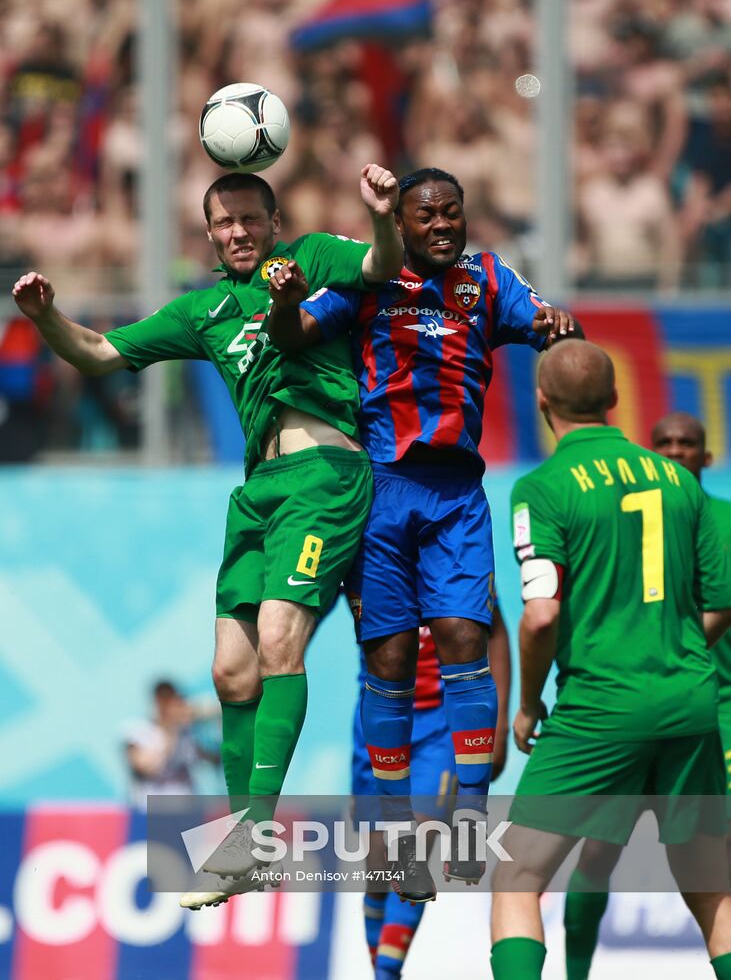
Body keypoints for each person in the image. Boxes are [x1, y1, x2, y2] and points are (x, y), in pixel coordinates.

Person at [12, 163, 404, 910]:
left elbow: (383, 264)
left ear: (273, 222)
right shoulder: (204, 311)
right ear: (211, 236)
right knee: (230, 673)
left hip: (325, 476)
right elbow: (98, 353)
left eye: (250, 219)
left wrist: (383, 215)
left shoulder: (312, 257)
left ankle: (252, 841)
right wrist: (45, 318)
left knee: (281, 642)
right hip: (256, 491)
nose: (238, 232)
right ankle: (241, 839)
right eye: (224, 224)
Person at [267, 166, 579, 900]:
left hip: (456, 492)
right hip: (380, 488)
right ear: (399, 224)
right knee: (391, 656)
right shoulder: (369, 277)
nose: (442, 225)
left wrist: (557, 326)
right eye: (426, 216)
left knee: (465, 637)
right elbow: (293, 335)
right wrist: (283, 304)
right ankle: (399, 833)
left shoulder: (488, 278)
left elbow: (549, 326)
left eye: (451, 212)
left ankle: (468, 817)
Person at [490, 341, 731, 980]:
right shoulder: (680, 482)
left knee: (517, 874)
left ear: (542, 402)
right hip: (690, 702)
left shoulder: (541, 489)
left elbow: (541, 614)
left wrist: (527, 701)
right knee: (713, 893)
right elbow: (720, 599)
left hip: (599, 709)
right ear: (615, 401)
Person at [562, 410, 731, 980]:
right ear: (650, 453)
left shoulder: (724, 523)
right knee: (595, 853)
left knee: (715, 872)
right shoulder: (625, 526)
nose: (677, 451)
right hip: (637, 705)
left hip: (715, 714)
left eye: (688, 443)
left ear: (707, 457)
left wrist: (673, 652)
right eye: (665, 442)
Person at [354, 605, 511, 979]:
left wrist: (499, 725)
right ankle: (383, 970)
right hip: (378, 718)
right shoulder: (366, 557)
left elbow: (497, 632)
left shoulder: (453, 554)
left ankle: (387, 973)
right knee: (377, 869)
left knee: (413, 849)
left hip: (441, 724)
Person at [123, 680, 220, 812]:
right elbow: (146, 767)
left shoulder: (187, 734)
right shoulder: (137, 730)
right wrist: (171, 728)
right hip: (151, 812)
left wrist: (214, 719)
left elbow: (212, 759)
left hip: (186, 810)